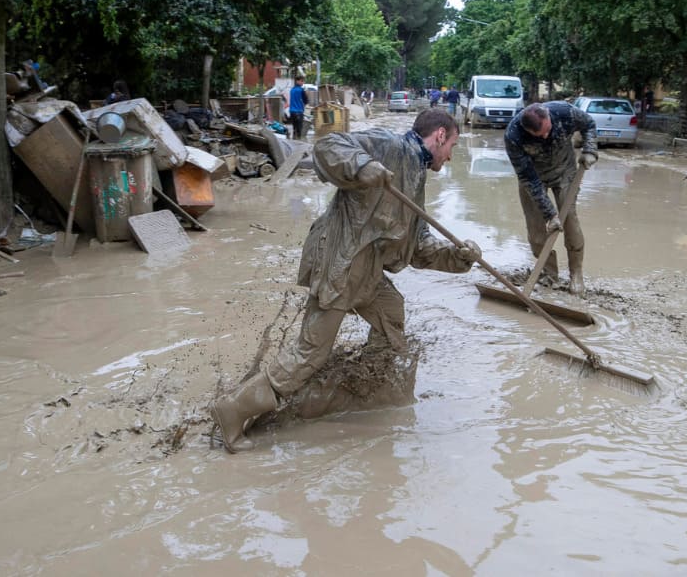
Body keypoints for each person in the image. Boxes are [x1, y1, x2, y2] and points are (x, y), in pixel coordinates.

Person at [209, 108, 482, 452]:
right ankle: (233, 409)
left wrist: (459, 258)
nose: (451, 155)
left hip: (366, 269)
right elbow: (327, 146)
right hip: (340, 262)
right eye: (453, 144)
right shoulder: (389, 144)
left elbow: (418, 248)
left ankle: (366, 390)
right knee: (311, 352)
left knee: (391, 314)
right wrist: (362, 167)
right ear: (440, 135)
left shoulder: (416, 173)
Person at [504, 101, 598, 296]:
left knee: (569, 220)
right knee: (536, 233)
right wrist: (549, 215)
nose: (546, 136)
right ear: (527, 130)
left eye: (548, 130)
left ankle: (576, 274)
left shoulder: (565, 112)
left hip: (565, 172)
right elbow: (528, 179)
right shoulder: (514, 136)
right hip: (533, 177)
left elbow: (589, 124)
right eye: (540, 135)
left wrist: (590, 149)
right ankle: (549, 275)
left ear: (548, 117)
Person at [288, 76, 307, 140]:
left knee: (294, 128)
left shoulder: (292, 90)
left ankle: (294, 141)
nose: (302, 82)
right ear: (297, 81)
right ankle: (299, 143)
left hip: (291, 112)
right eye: (301, 81)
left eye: (303, 81)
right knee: (299, 130)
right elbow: (306, 100)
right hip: (299, 112)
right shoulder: (301, 90)